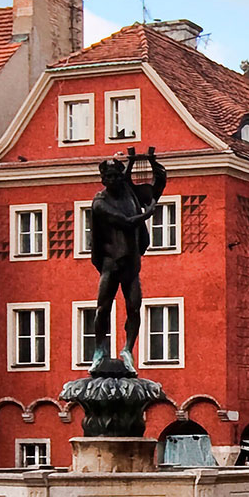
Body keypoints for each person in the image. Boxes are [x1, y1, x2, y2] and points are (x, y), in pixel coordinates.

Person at [88, 146, 168, 371]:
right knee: (103, 308)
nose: (113, 180)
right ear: (103, 180)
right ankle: (99, 349)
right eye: (109, 177)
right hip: (111, 263)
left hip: (131, 264)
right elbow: (126, 221)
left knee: (134, 307)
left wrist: (155, 169)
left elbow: (152, 190)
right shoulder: (99, 203)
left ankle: (127, 349)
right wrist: (149, 213)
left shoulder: (128, 191)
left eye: (116, 176)